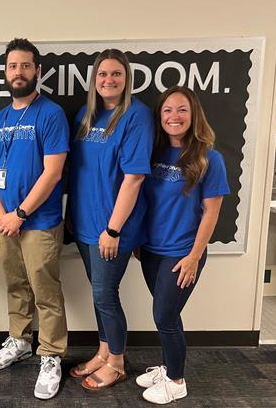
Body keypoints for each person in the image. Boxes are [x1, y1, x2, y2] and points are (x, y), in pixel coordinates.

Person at [0, 38, 69, 400]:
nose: (19, 73)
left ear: (38, 71)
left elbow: (52, 172)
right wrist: (3, 215)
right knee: (16, 285)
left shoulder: (51, 114)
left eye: (25, 66)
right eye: (12, 67)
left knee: (45, 290)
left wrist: (19, 214)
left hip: (39, 221)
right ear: (6, 73)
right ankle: (19, 340)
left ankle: (50, 355)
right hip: (4, 222)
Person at [136, 86, 229, 404]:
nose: (174, 116)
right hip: (150, 251)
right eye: (167, 110)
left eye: (182, 110)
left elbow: (212, 212)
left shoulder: (209, 158)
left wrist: (194, 256)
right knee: (167, 314)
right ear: (159, 116)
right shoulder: (152, 152)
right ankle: (167, 366)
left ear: (194, 115)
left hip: (182, 254)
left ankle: (176, 380)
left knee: (164, 316)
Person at [68, 49, 154, 390]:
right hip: (84, 224)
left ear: (126, 78)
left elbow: (134, 178)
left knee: (106, 294)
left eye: (116, 74)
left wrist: (113, 228)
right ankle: (103, 351)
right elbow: (78, 171)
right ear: (94, 80)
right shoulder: (85, 116)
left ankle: (117, 362)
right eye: (103, 74)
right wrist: (73, 216)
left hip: (113, 228)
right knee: (98, 292)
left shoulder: (136, 115)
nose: (109, 80)